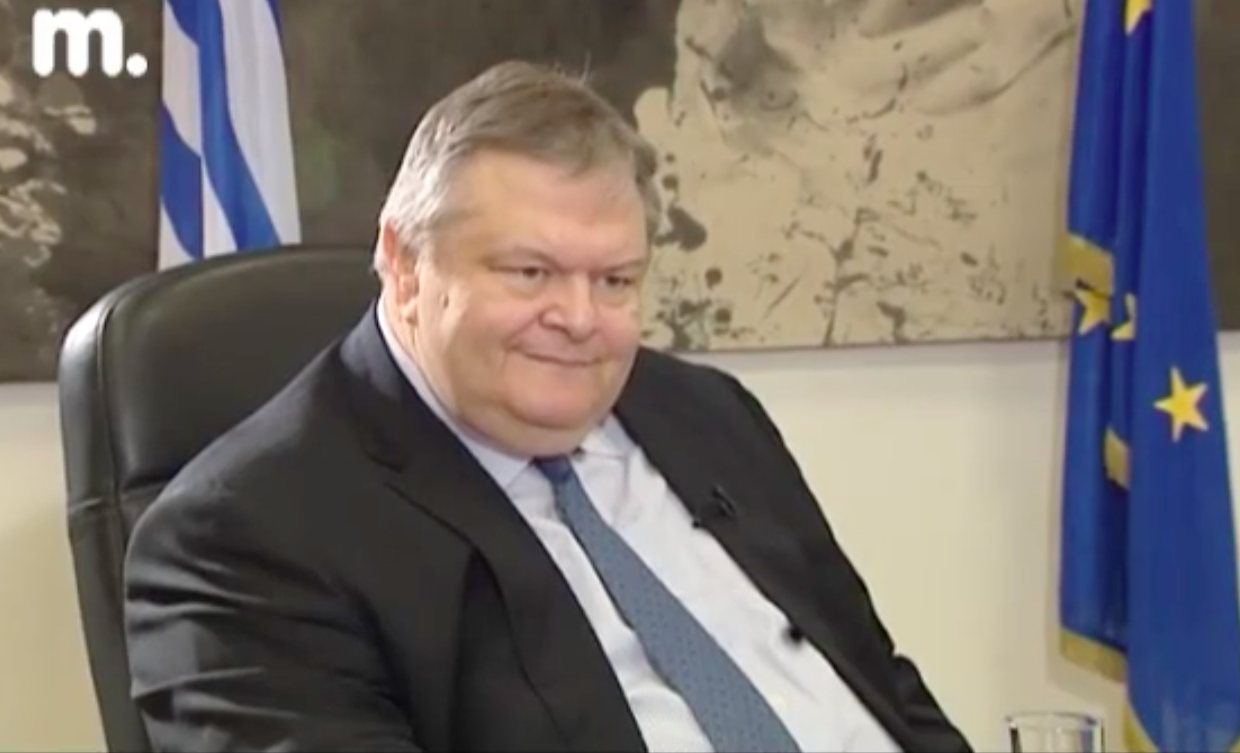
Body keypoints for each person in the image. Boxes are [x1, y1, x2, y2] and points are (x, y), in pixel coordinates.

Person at [123, 60, 972, 753]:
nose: (579, 318)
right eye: (531, 273)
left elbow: (879, 686)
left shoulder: (710, 413)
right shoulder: (243, 537)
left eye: (616, 280)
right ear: (405, 267)